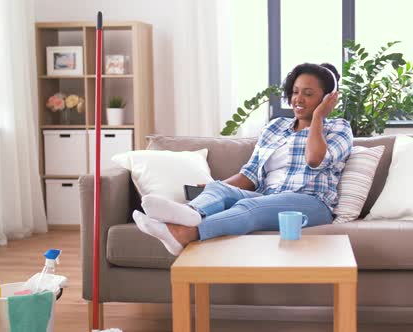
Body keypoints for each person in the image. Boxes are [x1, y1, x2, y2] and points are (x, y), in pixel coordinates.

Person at [132, 63, 353, 255]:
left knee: (250, 205)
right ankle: (190, 214)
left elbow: (315, 159)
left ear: (326, 99)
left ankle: (183, 232)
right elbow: (250, 174)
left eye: (308, 93)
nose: (298, 99)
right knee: (218, 189)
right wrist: (214, 189)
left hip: (312, 202)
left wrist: (317, 118)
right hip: (268, 196)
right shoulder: (275, 127)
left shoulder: (338, 128)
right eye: (295, 91)